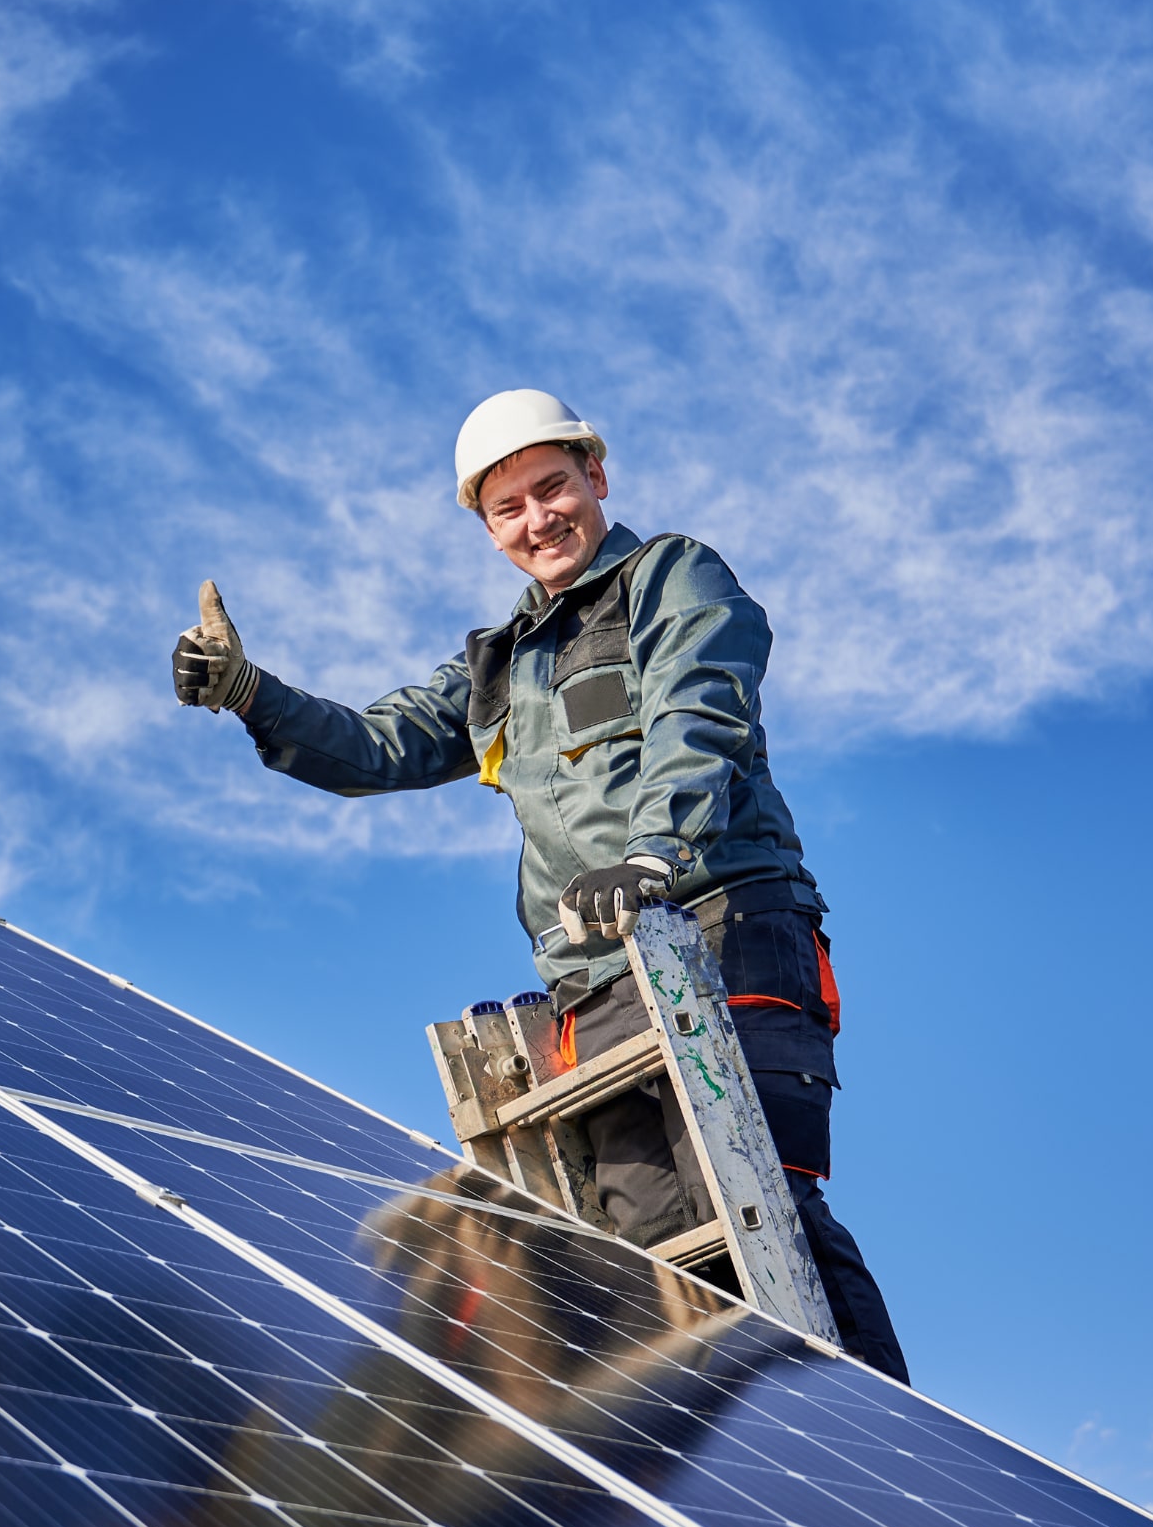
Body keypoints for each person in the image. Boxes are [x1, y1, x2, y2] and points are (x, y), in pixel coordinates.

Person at [170, 389, 908, 1381]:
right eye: (507, 508)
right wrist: (248, 691)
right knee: (656, 1255)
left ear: (595, 477)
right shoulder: (500, 664)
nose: (538, 520)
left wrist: (656, 854)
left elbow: (700, 713)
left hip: (720, 927)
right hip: (594, 984)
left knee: (761, 1200)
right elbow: (377, 745)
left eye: (552, 488)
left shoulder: (669, 578)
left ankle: (878, 1450)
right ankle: (753, 1491)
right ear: (486, 527)